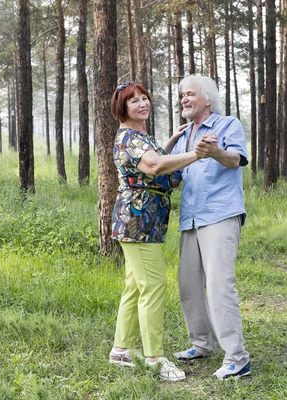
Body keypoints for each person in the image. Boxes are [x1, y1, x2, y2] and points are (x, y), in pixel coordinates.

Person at [108, 81, 198, 382]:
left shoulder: (141, 136)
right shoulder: (130, 138)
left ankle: (121, 350)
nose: (142, 103)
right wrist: (199, 154)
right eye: (133, 101)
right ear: (122, 108)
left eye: (144, 98)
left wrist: (171, 141)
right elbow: (155, 165)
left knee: (135, 285)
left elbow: (157, 159)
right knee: (154, 285)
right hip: (137, 222)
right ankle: (155, 357)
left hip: (144, 221)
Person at [170, 75, 251, 380]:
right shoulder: (183, 135)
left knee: (219, 285)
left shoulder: (227, 125)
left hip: (219, 213)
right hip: (190, 217)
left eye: (189, 95)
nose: (184, 100)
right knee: (189, 285)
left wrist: (214, 151)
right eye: (181, 96)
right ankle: (202, 343)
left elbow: (236, 159)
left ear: (207, 99)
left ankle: (237, 357)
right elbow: (176, 178)